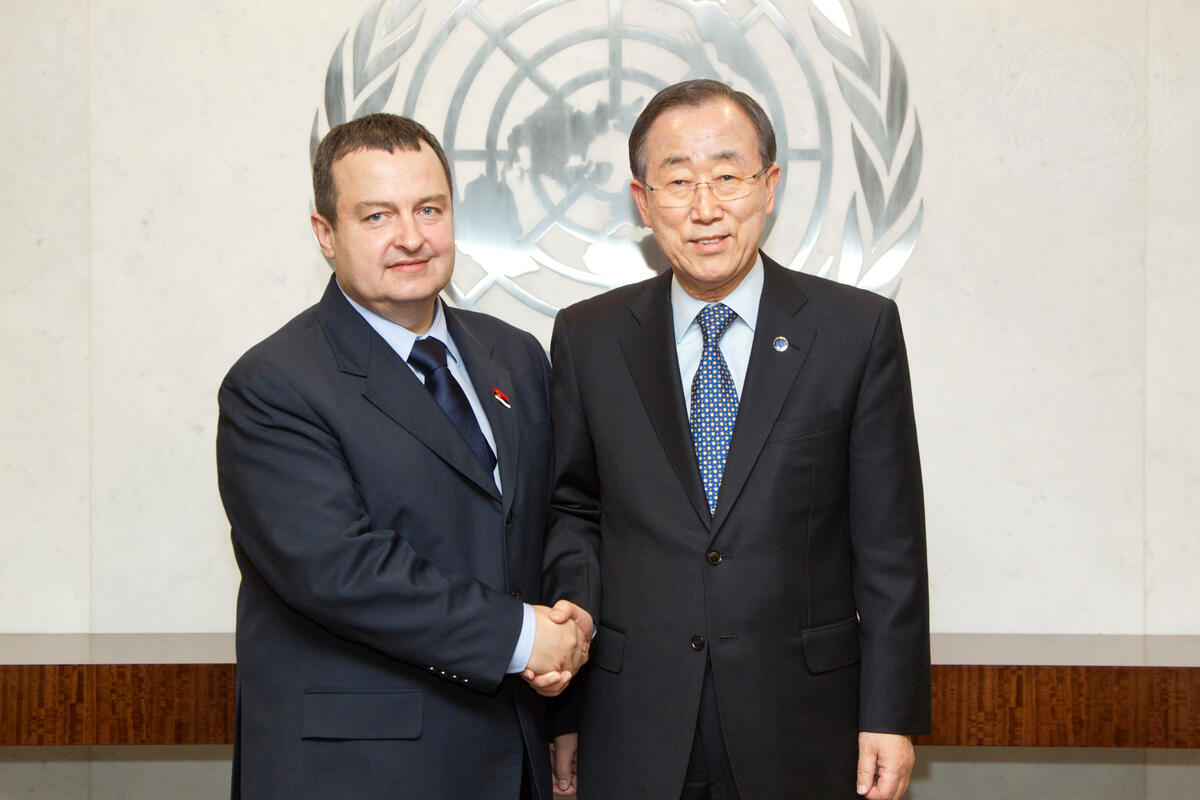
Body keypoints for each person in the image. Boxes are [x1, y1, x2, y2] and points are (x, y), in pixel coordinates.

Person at [543, 80, 931, 799]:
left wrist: (890, 714)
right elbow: (575, 511)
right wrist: (566, 702)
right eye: (678, 182)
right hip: (632, 716)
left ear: (769, 186)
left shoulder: (855, 331)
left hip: (803, 717)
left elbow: (890, 543)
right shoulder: (588, 337)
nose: (705, 208)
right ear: (642, 201)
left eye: (728, 177)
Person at [216, 113, 590, 800]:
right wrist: (520, 635)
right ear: (326, 234)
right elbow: (339, 569)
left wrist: (573, 624)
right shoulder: (274, 384)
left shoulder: (515, 355)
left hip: (512, 758)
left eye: (429, 209)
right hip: (359, 771)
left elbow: (558, 511)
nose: (411, 237)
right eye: (377, 216)